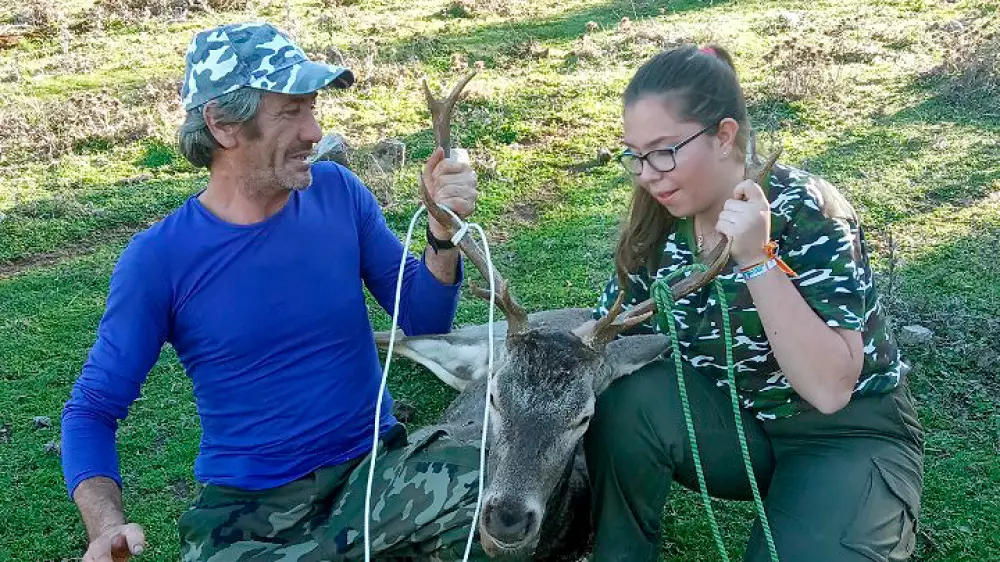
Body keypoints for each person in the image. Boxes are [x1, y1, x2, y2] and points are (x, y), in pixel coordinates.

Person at [61, 22, 490, 562]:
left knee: (497, 504)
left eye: (311, 107)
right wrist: (105, 526)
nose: (314, 131)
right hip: (248, 516)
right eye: (290, 112)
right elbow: (91, 410)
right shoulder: (159, 260)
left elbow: (425, 316)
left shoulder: (339, 195)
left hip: (374, 473)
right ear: (222, 124)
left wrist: (441, 235)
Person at [585, 45, 924, 561]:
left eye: (663, 151)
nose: (647, 174)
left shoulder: (808, 208)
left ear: (723, 136)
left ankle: (824, 505)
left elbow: (831, 390)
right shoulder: (655, 223)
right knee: (623, 392)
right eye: (634, 155)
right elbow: (609, 335)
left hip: (843, 434)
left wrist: (757, 260)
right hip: (733, 423)